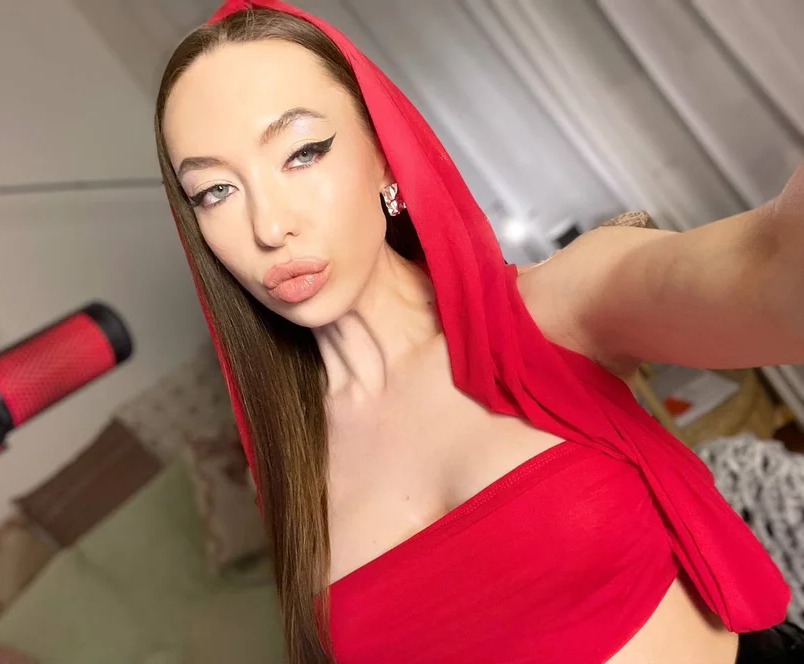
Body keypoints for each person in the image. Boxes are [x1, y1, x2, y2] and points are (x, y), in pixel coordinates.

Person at [153, 1, 804, 661]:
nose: (269, 227)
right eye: (215, 191)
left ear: (383, 155)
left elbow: (773, 272)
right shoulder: (287, 465)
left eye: (302, 153)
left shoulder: (552, 306)